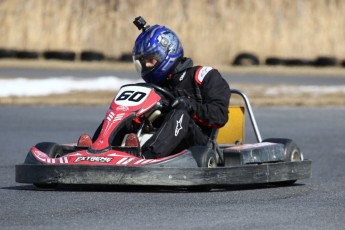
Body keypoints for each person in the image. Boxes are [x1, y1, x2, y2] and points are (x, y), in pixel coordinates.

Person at [131, 17, 231, 159]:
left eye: (150, 60)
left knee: (181, 113)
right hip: (159, 139)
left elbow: (220, 116)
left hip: (198, 146)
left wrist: (190, 106)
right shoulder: (156, 87)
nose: (146, 66)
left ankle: (147, 157)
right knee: (126, 112)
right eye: (143, 62)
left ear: (167, 53)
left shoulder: (203, 76)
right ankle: (99, 150)